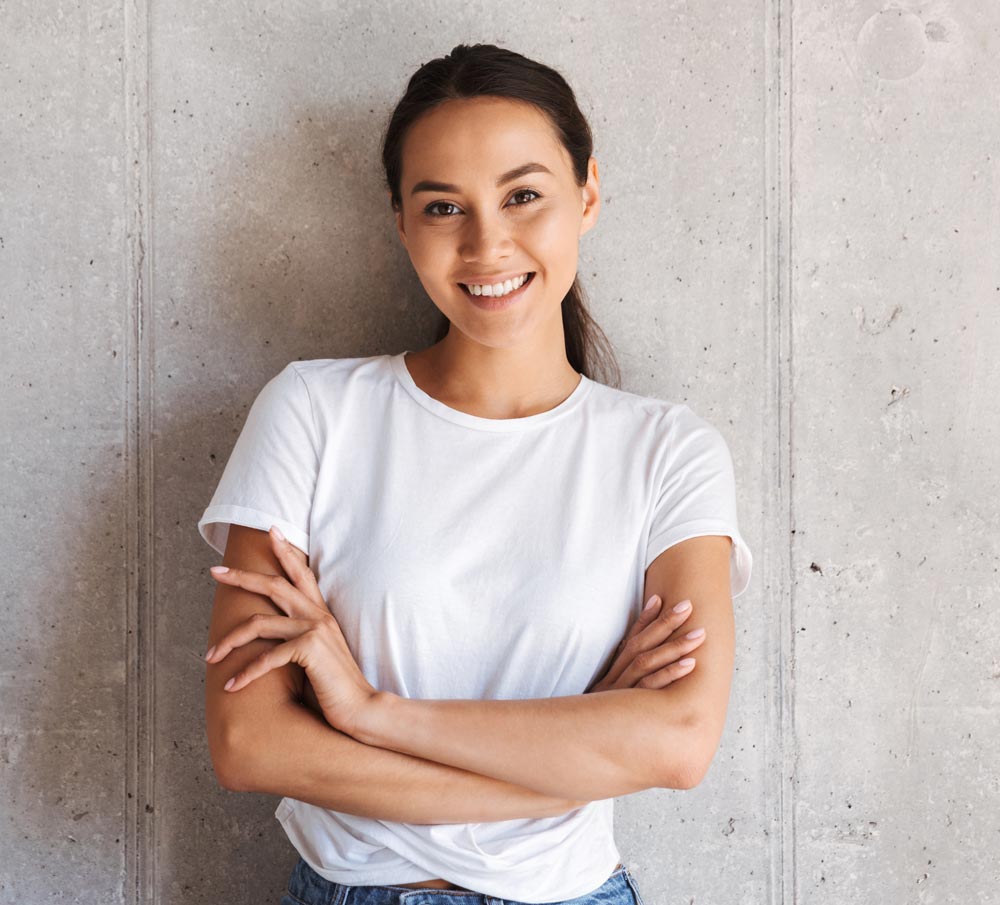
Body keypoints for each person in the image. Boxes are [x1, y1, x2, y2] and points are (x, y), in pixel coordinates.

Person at [197, 43, 752, 905]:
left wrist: (369, 710)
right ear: (402, 222)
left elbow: (678, 740)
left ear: (588, 195)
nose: (487, 244)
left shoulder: (668, 451)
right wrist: (570, 759)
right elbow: (249, 741)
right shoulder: (314, 410)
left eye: (523, 195)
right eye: (444, 206)